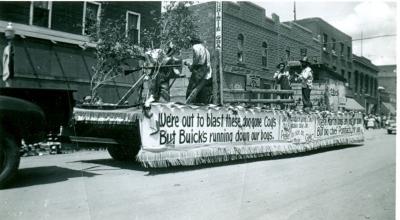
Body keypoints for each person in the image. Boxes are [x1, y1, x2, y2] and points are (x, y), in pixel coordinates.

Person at [184, 35, 212, 104]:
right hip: (207, 71)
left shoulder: (195, 47)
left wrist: (192, 66)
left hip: (199, 69)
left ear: (192, 41)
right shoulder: (206, 49)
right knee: (201, 89)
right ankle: (200, 103)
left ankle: (188, 105)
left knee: (191, 87)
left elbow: (196, 59)